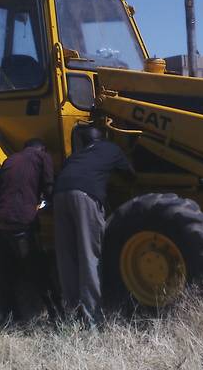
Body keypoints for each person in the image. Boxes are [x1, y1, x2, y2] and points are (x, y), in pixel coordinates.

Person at [53, 126, 134, 326]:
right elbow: (130, 174)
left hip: (60, 194)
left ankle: (71, 314)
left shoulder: (75, 157)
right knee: (89, 254)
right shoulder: (110, 148)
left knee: (67, 256)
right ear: (102, 137)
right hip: (85, 195)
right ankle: (91, 318)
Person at [0, 138, 59, 320]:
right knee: (36, 268)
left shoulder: (10, 159)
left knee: (5, 272)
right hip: (21, 222)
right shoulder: (42, 157)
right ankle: (56, 314)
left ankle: (9, 316)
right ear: (42, 148)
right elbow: (49, 188)